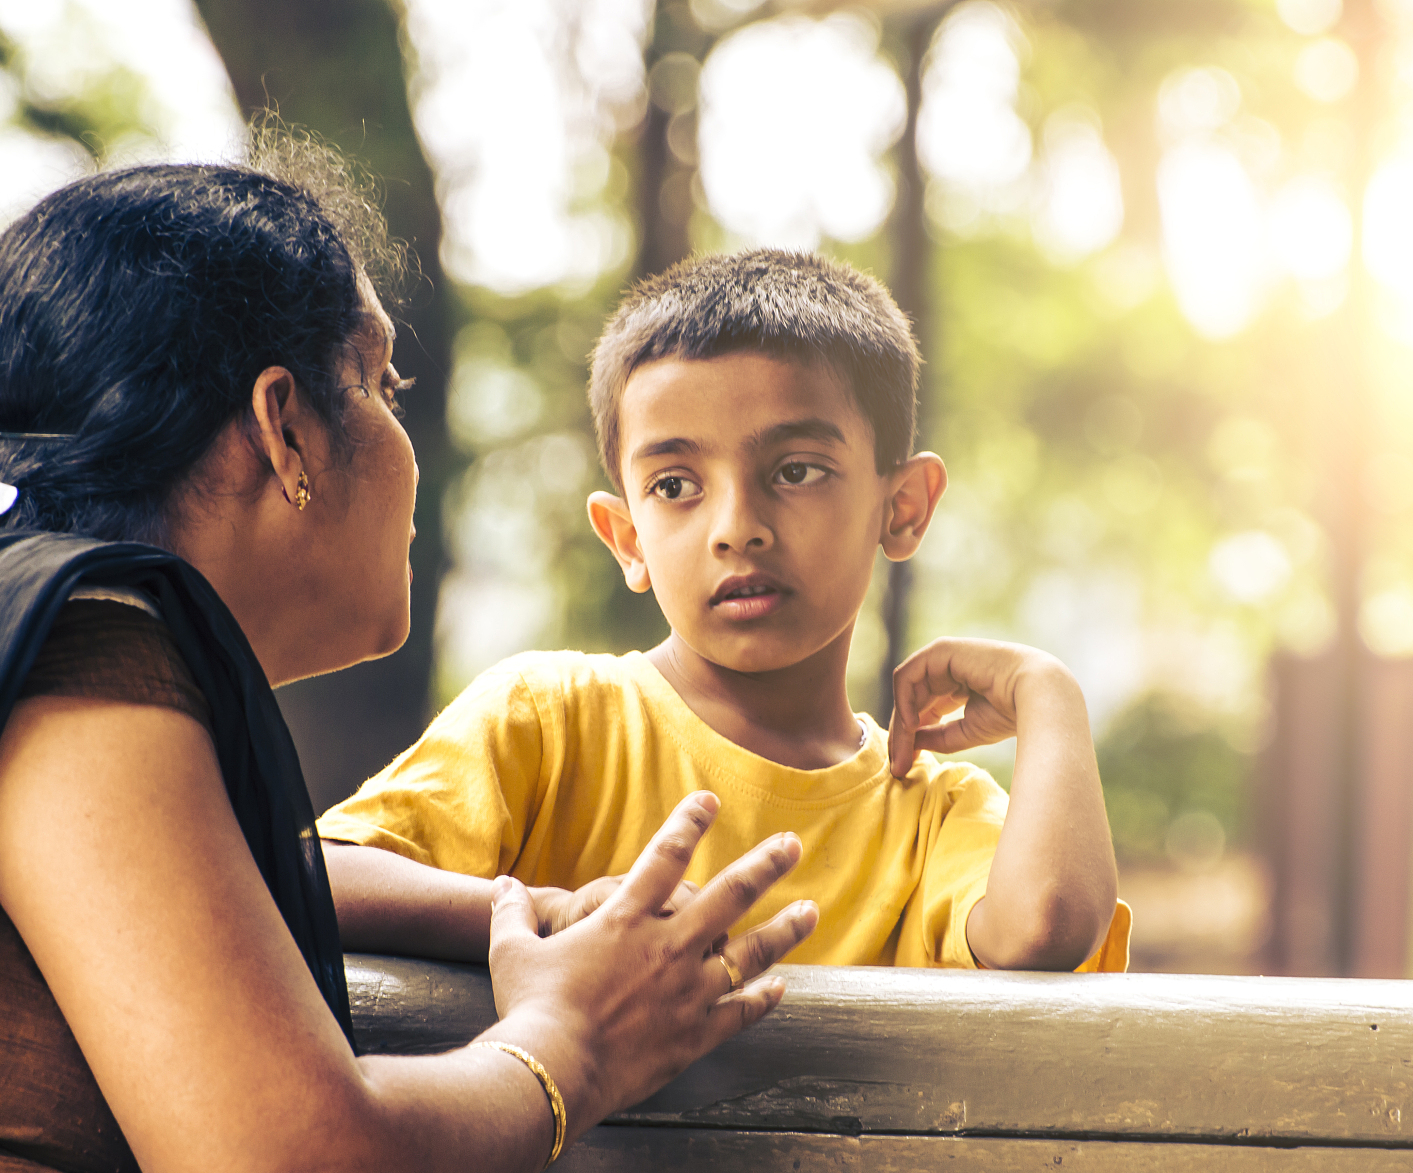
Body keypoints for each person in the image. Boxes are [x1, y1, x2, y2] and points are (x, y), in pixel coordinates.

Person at [0, 136, 815, 1173]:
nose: (412, 446)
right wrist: (569, 1048)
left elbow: (172, 890)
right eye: (387, 388)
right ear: (285, 429)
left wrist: (517, 910)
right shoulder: (80, 650)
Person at [318, 250, 1130, 974]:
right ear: (628, 538)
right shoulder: (549, 719)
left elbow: (1045, 929)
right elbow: (314, 878)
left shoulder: (929, 811)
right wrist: (549, 912)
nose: (737, 525)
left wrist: (1047, 691)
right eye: (675, 486)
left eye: (798, 470)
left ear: (904, 506)